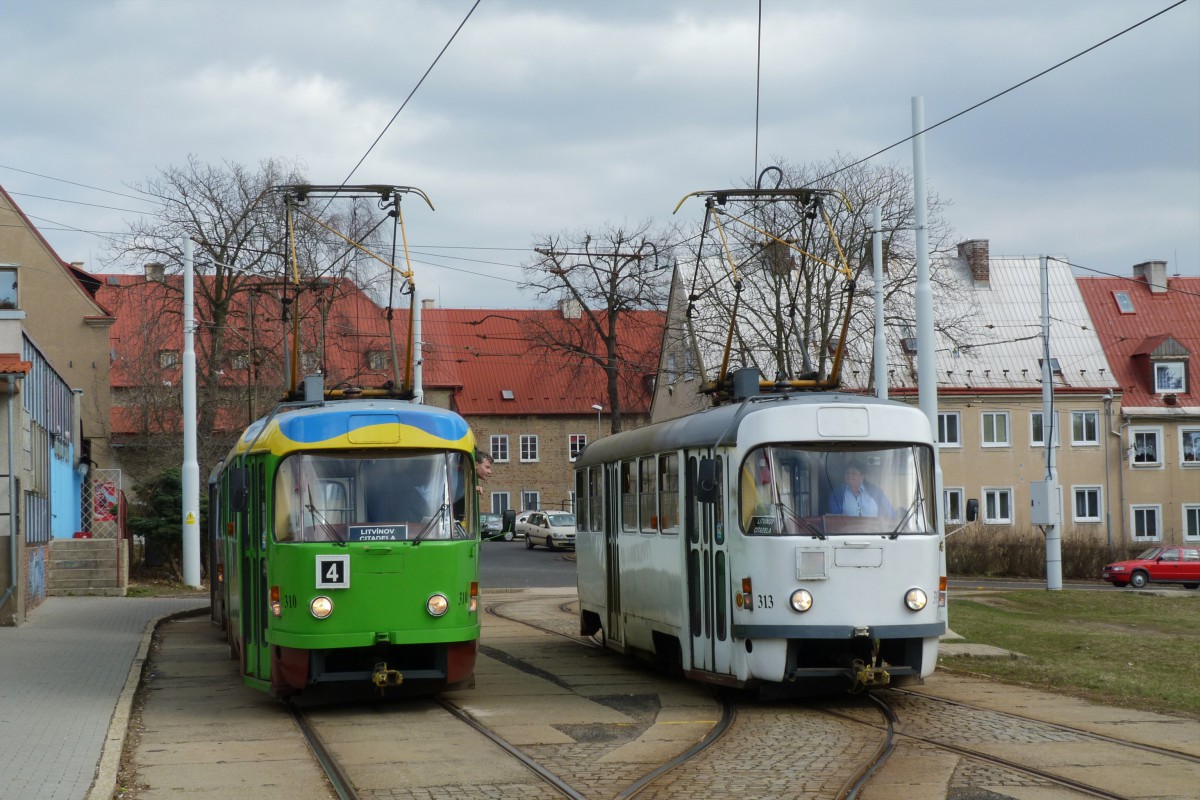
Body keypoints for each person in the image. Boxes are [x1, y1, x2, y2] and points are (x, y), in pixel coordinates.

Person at [828, 460, 894, 517]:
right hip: (847, 530)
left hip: (873, 530)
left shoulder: (875, 491)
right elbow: (836, 516)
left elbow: (888, 510)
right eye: (847, 473)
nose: (850, 476)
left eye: (854, 473)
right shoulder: (838, 493)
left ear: (861, 477)